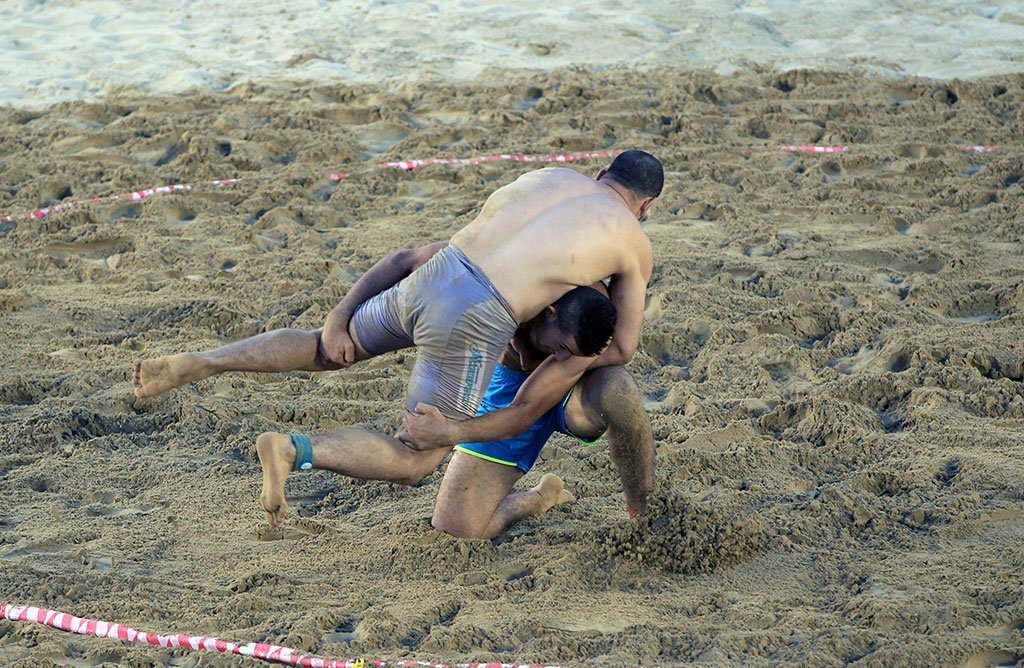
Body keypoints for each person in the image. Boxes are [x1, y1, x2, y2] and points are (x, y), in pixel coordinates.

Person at [133, 149, 662, 525]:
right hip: (478, 316)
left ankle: (203, 362)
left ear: (599, 173)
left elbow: (405, 258)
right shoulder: (632, 241)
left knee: (324, 348)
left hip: (438, 273)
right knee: (417, 455)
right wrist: (559, 367)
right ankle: (294, 451)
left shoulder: (549, 178)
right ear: (645, 207)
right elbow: (622, 347)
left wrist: (341, 315)